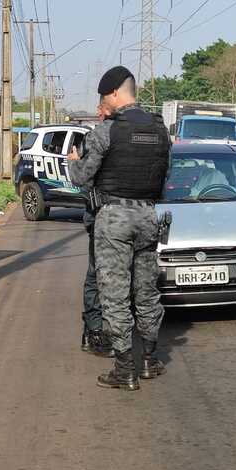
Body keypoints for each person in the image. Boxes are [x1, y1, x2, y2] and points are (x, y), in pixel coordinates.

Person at [67, 66, 171, 391]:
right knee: (146, 290)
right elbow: (165, 175)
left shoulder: (105, 132)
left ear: (114, 94)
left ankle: (125, 368)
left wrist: (72, 160)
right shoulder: (160, 129)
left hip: (114, 217)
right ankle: (150, 360)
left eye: (103, 98)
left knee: (114, 293)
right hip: (149, 216)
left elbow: (81, 177)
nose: (103, 104)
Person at [79, 100, 113, 358]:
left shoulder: (100, 137)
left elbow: (81, 177)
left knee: (101, 277)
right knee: (97, 275)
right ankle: (94, 330)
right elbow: (84, 181)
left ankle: (100, 331)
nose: (99, 114)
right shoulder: (96, 138)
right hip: (100, 215)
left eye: (101, 110)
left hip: (111, 216)